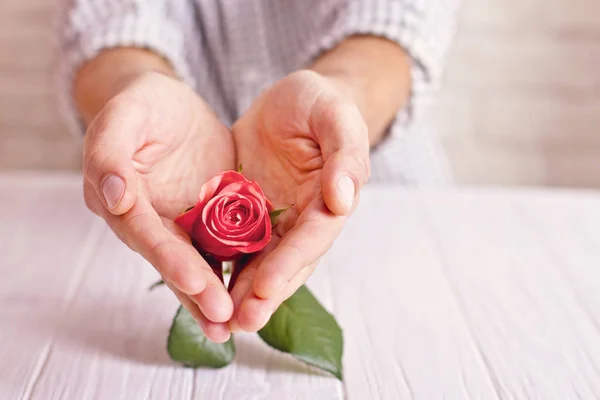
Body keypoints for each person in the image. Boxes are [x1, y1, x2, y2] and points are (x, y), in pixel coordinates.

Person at [59, 0, 459, 343]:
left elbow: (398, 16)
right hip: (152, 208)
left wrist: (342, 95)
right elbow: (106, 20)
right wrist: (132, 91)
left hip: (394, 217)